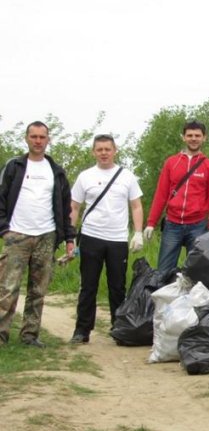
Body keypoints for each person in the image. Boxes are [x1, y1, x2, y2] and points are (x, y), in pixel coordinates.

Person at [0, 121, 75, 348]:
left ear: (48, 139)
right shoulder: (14, 167)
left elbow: (65, 207)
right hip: (17, 235)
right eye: (33, 136)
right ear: (26, 139)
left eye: (42, 137)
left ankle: (30, 335)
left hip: (46, 235)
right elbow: (1, 198)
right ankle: (1, 334)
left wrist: (69, 238)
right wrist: (4, 229)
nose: (38, 141)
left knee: (38, 290)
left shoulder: (56, 171)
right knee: (7, 287)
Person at [68, 135, 144, 344]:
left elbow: (136, 205)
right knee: (88, 285)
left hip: (117, 239)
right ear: (93, 152)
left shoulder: (127, 176)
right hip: (91, 236)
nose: (103, 153)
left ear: (114, 150)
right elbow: (75, 207)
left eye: (107, 149)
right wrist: (70, 236)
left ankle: (118, 328)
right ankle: (82, 330)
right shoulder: (85, 176)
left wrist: (137, 233)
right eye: (99, 149)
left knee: (117, 286)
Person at [143, 120, 209, 274]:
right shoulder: (172, 163)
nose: (193, 138)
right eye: (189, 135)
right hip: (173, 224)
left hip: (198, 225)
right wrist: (151, 222)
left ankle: (192, 299)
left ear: (204, 138)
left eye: (197, 135)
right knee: (164, 271)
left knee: (196, 272)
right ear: (183, 137)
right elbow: (161, 194)